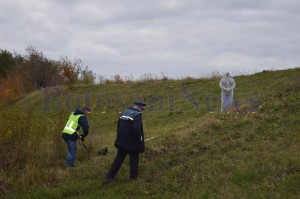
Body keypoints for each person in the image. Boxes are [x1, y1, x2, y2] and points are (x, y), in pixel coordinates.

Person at [103, 102, 146, 185]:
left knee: (118, 160)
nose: (142, 110)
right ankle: (133, 179)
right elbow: (137, 130)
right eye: (141, 108)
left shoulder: (124, 112)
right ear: (137, 107)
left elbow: (119, 127)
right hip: (132, 143)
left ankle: (108, 178)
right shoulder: (136, 115)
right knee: (134, 160)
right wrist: (139, 140)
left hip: (122, 141)